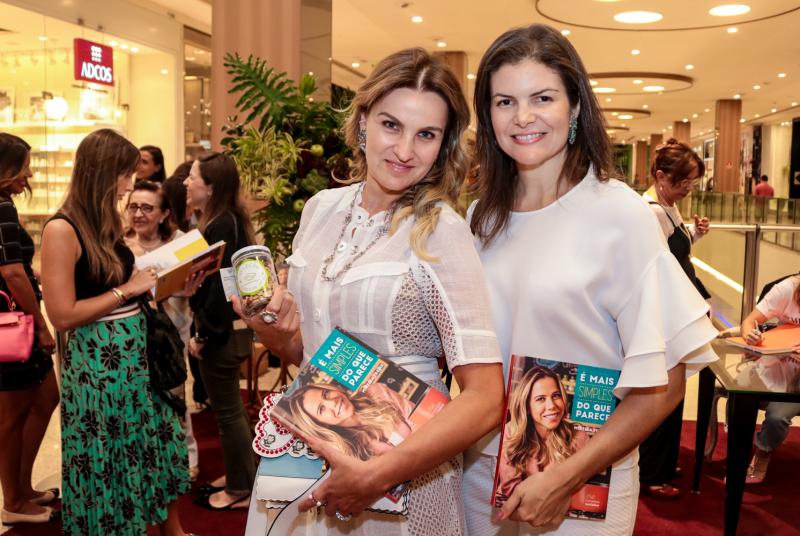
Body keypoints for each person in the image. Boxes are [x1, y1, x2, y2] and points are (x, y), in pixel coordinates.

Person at [233, 47, 505, 535]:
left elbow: (486, 397)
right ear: (362, 123)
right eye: (391, 125)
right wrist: (271, 330)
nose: (404, 150)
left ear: (444, 146)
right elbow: (309, 353)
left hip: (404, 474)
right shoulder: (320, 209)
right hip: (312, 445)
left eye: (426, 135)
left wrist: (376, 475)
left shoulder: (440, 230)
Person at [465, 24, 719, 535]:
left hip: (583, 480)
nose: (523, 117)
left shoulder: (619, 213)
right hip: (483, 472)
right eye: (504, 101)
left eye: (542, 98)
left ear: (575, 106)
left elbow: (665, 383)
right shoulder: (480, 219)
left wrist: (564, 477)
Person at [41, 129, 195, 536]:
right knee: (108, 456)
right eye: (125, 174)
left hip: (134, 361)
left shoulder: (103, 221)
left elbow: (124, 289)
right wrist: (126, 289)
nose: (129, 185)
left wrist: (172, 285)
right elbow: (62, 314)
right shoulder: (62, 229)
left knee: (148, 446)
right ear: (104, 172)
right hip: (99, 368)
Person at [639, 138, 711, 499]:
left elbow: (675, 252)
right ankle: (651, 472)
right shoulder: (650, 211)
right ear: (660, 177)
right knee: (662, 394)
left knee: (674, 393)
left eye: (692, 183)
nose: (688, 190)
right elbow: (656, 266)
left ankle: (663, 465)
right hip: (664, 315)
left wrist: (694, 233)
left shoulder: (667, 206)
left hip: (674, 311)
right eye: (683, 183)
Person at [184, 152, 256, 511]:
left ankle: (240, 487)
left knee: (228, 412)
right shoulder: (226, 220)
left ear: (211, 187)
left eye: (192, 176)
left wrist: (204, 335)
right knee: (232, 410)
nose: (186, 182)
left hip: (222, 332)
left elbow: (218, 290)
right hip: (230, 330)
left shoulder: (222, 224)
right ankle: (242, 474)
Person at [0, 133, 60, 526]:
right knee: (13, 415)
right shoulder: (2, 208)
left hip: (14, 321)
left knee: (44, 398)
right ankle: (13, 500)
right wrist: (41, 324)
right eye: (23, 167)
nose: (30, 175)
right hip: (15, 326)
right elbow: (12, 273)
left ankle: (22, 488)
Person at [124, 179, 200, 482]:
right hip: (131, 332)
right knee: (140, 398)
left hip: (172, 332)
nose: (138, 214)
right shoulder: (120, 243)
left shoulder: (181, 241)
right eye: (133, 207)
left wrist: (187, 288)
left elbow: (197, 279)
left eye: (147, 208)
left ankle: (186, 457)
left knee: (175, 394)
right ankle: (148, 460)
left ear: (164, 213)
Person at [495, 366, 589, 503]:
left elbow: (581, 487)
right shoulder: (511, 432)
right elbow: (511, 489)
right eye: (540, 399)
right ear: (527, 406)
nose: (552, 406)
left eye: (556, 395)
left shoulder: (578, 436)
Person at [740, 274, 800, 483]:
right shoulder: (788, 288)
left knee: (777, 416)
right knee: (741, 393)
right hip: (779, 365)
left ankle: (763, 452)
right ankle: (741, 448)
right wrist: (750, 335)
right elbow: (750, 322)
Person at [282, 380, 415, 460]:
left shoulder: (377, 392)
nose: (332, 402)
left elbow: (419, 416)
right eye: (321, 409)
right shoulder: (351, 453)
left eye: (326, 393)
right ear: (321, 424)